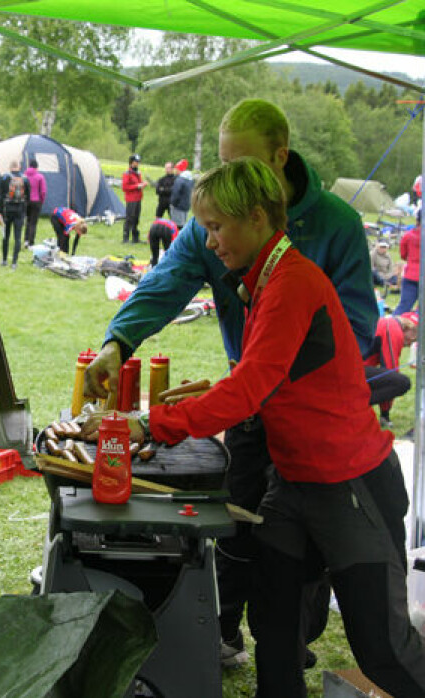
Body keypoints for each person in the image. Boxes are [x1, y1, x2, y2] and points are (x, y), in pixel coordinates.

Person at [84, 98, 378, 672]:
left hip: (317, 434)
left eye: (238, 168)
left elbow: (354, 332)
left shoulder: (331, 235)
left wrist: (251, 383)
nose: (214, 233)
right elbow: (165, 282)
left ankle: (292, 636)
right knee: (241, 525)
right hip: (250, 409)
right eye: (217, 166)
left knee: (309, 559)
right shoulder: (217, 217)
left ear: (278, 160)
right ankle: (225, 634)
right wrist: (119, 342)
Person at [121, 157, 425, 698]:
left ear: (257, 219)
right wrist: (207, 393)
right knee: (274, 621)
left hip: (349, 483)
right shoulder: (264, 278)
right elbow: (272, 375)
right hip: (293, 480)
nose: (210, 243)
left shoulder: (291, 282)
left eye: (216, 227)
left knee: (382, 649)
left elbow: (249, 390)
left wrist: (151, 425)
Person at [364, 312, 416, 426]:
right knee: (402, 382)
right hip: (350, 371)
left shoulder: (387, 323)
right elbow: (390, 368)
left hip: (348, 367)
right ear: (411, 329)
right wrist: (385, 413)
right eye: (414, 338)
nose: (412, 342)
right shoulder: (393, 329)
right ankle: (355, 405)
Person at [0, 160, 30, 269]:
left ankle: (5, 260)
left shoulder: (5, 178)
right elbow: (28, 197)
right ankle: (14, 262)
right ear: (19, 167)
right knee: (17, 237)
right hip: (19, 210)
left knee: (5, 236)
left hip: (7, 210)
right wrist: (25, 211)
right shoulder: (25, 179)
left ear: (10, 167)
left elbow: (0, 196)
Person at [393, 211, 421, 316]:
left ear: (417, 220)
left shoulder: (408, 236)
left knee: (404, 307)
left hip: (410, 275)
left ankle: (390, 328)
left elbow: (403, 255)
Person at [121, 154, 147, 243]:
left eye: (138, 162)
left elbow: (139, 183)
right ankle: (126, 238)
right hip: (131, 199)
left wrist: (142, 184)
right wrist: (137, 186)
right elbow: (125, 187)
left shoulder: (138, 173)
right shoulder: (127, 173)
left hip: (138, 198)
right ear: (131, 163)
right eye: (136, 162)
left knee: (136, 218)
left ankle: (135, 238)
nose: (137, 164)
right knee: (129, 218)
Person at [24, 158, 47, 248]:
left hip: (26, 201)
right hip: (36, 201)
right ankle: (31, 242)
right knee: (33, 223)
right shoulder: (40, 177)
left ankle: (25, 240)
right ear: (36, 167)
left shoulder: (24, 176)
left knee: (28, 221)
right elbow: (43, 191)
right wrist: (42, 201)